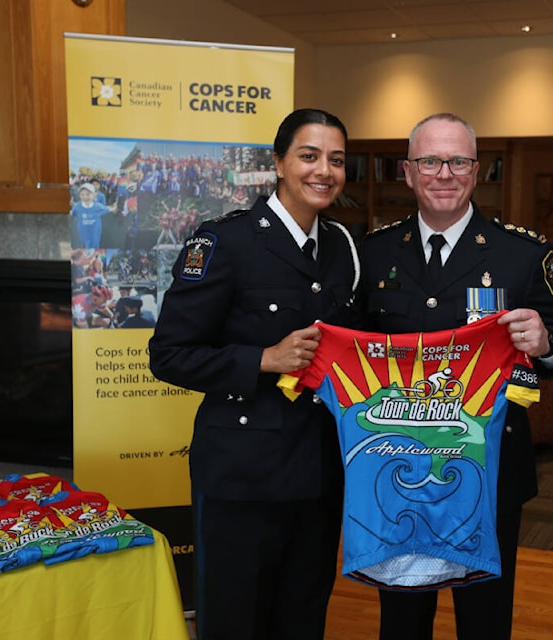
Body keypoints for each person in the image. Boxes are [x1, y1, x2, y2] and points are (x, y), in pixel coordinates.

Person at [357, 113, 553, 640]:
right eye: (430, 161)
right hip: (396, 472)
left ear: (477, 169)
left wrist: (547, 342)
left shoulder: (522, 253)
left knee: (484, 621)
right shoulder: (372, 253)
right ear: (407, 171)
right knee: (401, 620)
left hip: (488, 471)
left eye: (458, 161)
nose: (444, 173)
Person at [147, 108, 360, 640]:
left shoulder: (344, 246)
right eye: (309, 156)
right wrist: (262, 359)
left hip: (319, 470)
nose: (324, 171)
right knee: (235, 619)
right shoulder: (226, 242)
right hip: (242, 474)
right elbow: (168, 353)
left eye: (336, 160)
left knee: (304, 613)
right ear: (279, 164)